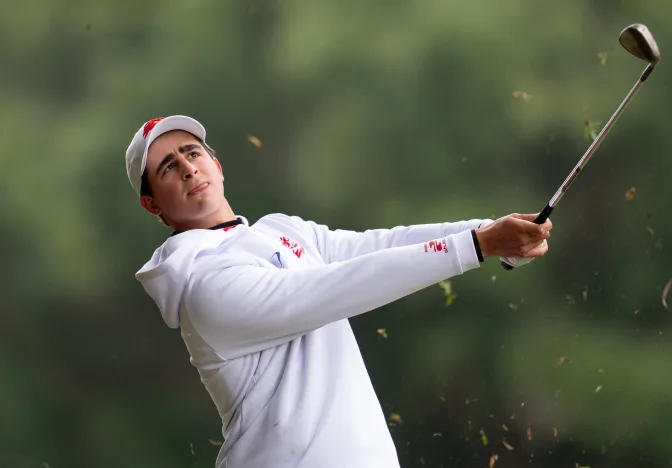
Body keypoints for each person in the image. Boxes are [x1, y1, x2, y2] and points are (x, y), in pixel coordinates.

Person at [127, 115, 552, 468]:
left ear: (217, 165)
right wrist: (478, 245)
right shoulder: (204, 287)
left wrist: (489, 231)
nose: (187, 167)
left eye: (193, 152)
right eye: (167, 167)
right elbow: (342, 286)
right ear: (153, 205)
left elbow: (378, 246)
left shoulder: (280, 230)